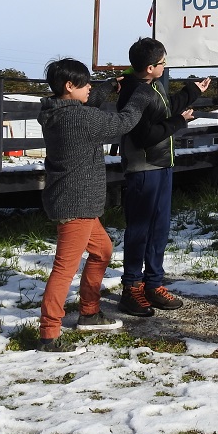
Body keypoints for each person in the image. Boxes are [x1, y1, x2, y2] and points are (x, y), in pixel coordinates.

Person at [36, 57, 155, 352]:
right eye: (85, 83)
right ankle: (49, 332)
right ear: (68, 86)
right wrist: (141, 92)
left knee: (102, 251)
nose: (90, 87)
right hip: (76, 204)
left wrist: (112, 85)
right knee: (64, 269)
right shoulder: (78, 119)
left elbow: (90, 99)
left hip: (73, 200)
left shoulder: (56, 111)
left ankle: (89, 312)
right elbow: (123, 122)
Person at [115, 37, 210, 317]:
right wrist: (181, 122)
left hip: (162, 166)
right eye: (162, 63)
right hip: (144, 170)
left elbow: (165, 108)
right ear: (148, 68)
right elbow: (145, 136)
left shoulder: (150, 85)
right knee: (140, 231)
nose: (165, 66)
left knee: (158, 230)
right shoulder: (133, 92)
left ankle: (153, 284)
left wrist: (192, 91)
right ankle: (131, 288)